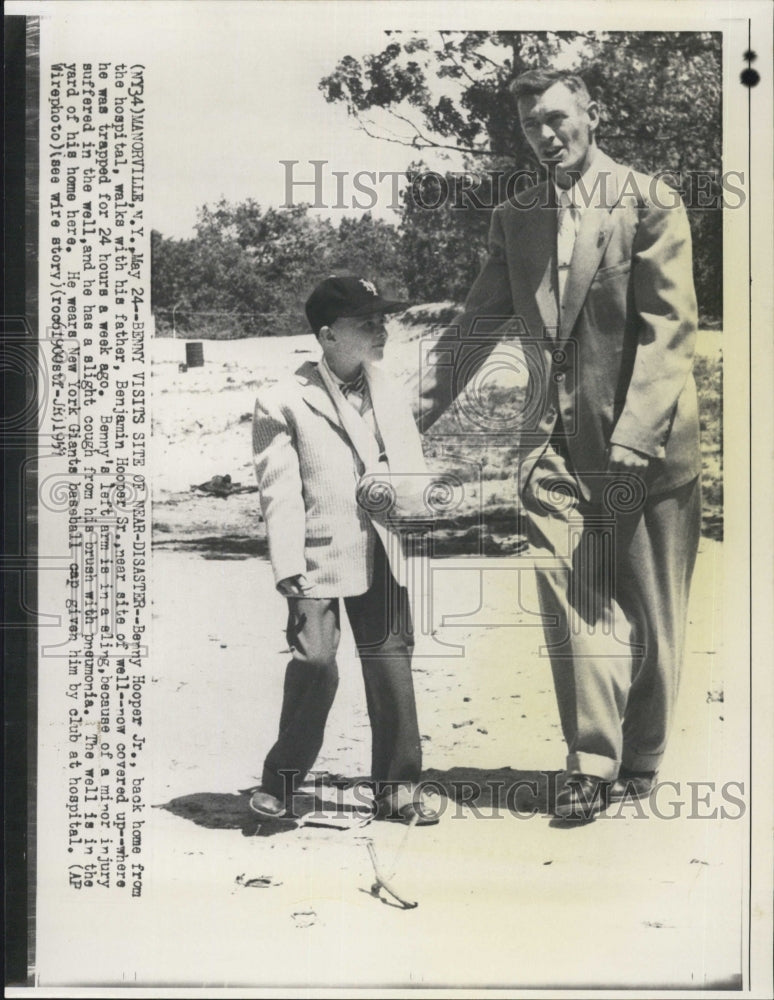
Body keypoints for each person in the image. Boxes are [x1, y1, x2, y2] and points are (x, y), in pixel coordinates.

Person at [416, 68, 702, 821]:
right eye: (530, 126)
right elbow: (473, 330)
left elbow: (668, 331)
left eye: (555, 119)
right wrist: (396, 422)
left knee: (653, 620)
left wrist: (636, 436)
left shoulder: (649, 200)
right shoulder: (516, 217)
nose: (545, 137)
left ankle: (641, 755)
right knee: (575, 600)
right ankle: (591, 762)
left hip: (646, 444)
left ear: (592, 114)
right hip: (551, 450)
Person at [250, 275, 437, 826]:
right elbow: (278, 491)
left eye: (383, 319)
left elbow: (410, 466)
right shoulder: (282, 399)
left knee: (390, 663)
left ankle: (398, 789)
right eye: (367, 322)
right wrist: (287, 566)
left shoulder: (390, 389)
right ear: (329, 336)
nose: (382, 330)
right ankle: (281, 784)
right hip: (317, 555)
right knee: (315, 663)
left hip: (384, 548)